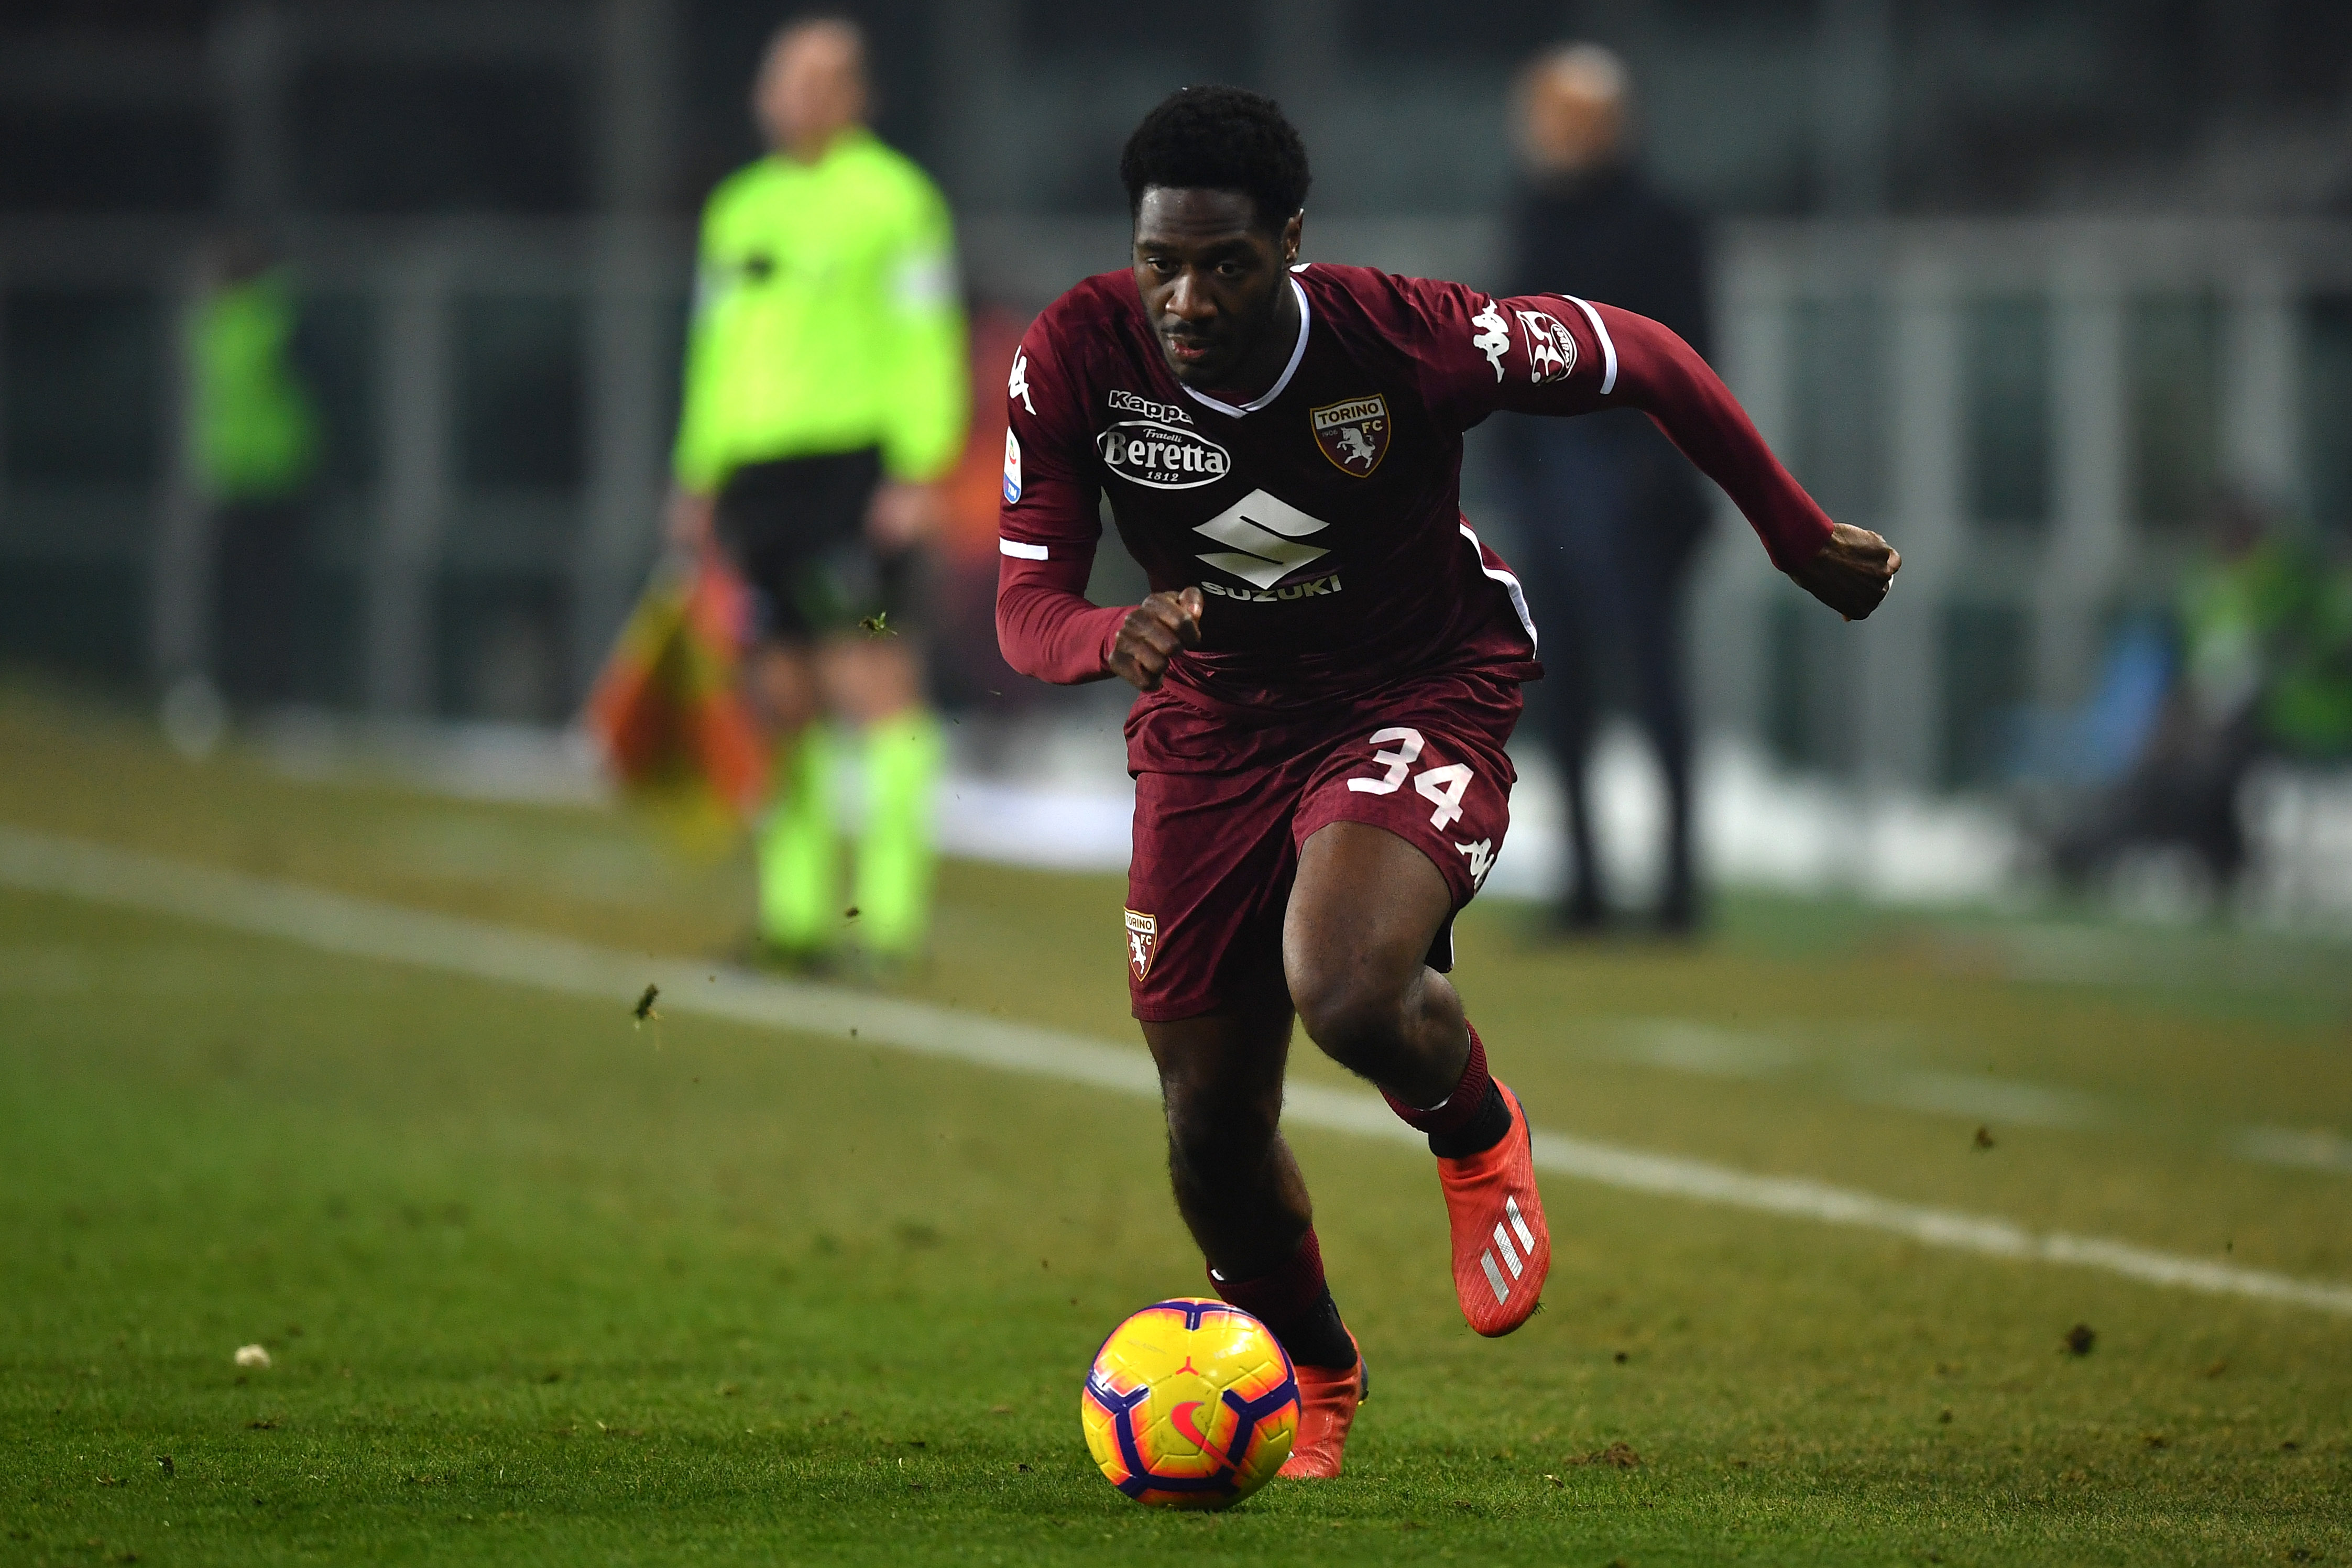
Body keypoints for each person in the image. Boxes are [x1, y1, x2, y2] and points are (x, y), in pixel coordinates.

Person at [994, 86, 1897, 1479]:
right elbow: (1024, 603)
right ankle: (1315, 1370)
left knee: (1346, 983)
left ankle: (1474, 1134)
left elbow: (1643, 354)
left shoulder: (1398, 336)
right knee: (1209, 1130)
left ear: (1290, 241)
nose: (1184, 298)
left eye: (1223, 263)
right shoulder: (1074, 356)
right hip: (1212, 727)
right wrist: (1106, 635)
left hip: (1415, 688)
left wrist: (1788, 532)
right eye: (1159, 261)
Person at [668, 16, 968, 969]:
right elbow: (715, 352)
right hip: (758, 480)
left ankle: (887, 923)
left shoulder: (897, 202)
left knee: (873, 678)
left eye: (812, 79)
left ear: (854, 96)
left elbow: (928, 339)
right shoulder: (738, 210)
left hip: (855, 473)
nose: (788, 95)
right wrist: (696, 471)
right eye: (780, 78)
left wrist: (919, 467)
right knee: (777, 693)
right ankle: (793, 918)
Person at [1501, 44, 1714, 933]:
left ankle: (1674, 889)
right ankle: (1583, 884)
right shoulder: (1531, 217)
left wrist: (1656, 470)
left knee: (1655, 687)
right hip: (1555, 480)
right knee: (1566, 690)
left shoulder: (1660, 224)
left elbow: (1687, 355)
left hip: (1631, 483)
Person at [189, 234, 321, 708]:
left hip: (279, 475)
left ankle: (274, 692)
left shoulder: (279, 319)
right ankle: (227, 689)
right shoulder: (218, 319)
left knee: (273, 595)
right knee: (228, 594)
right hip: (231, 476)